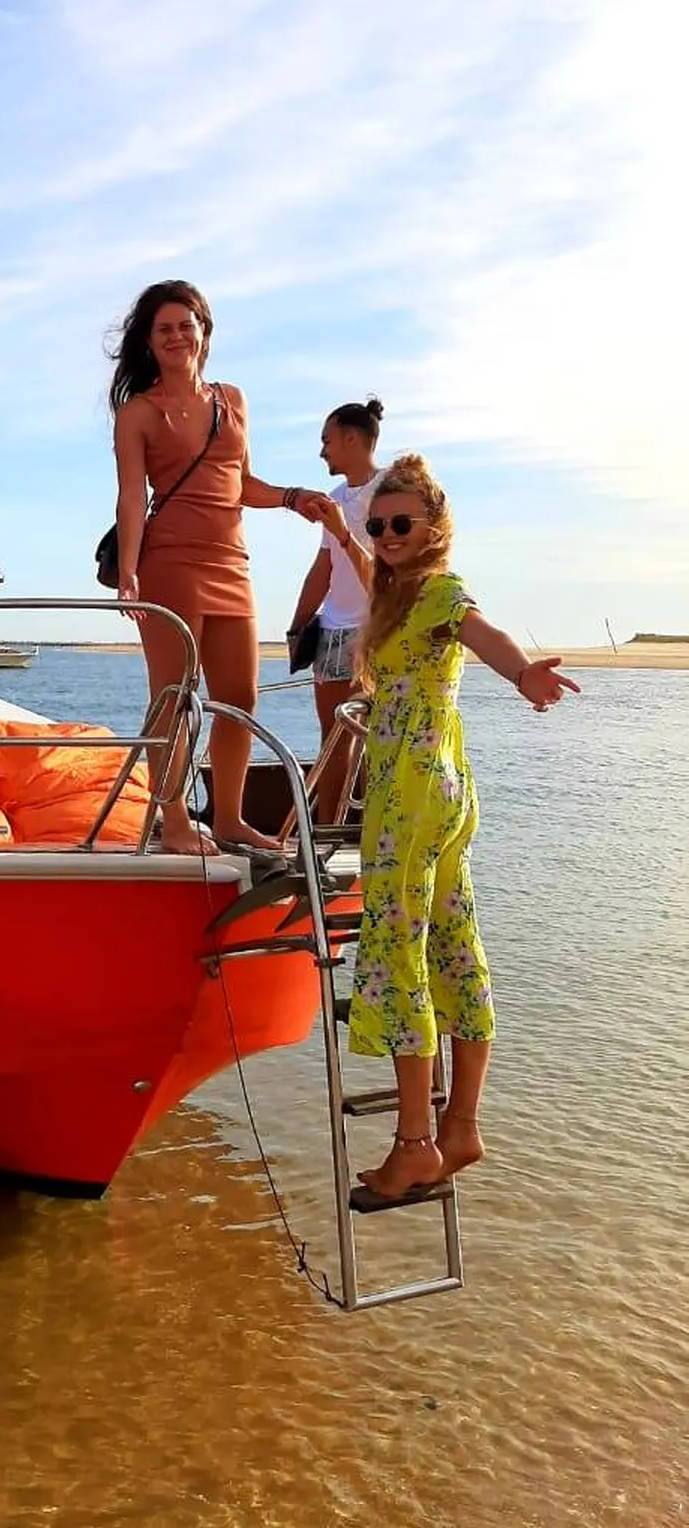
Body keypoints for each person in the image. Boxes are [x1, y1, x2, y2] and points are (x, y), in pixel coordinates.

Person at [313, 453, 578, 1201]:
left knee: (400, 954)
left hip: (413, 791)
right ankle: (461, 1127)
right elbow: (371, 565)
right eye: (379, 524)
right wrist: (343, 528)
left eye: (403, 523)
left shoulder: (436, 591)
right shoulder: (393, 591)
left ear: (434, 528)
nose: (388, 534)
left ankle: (414, 1143)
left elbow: (477, 629)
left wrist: (524, 673)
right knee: (453, 942)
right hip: (438, 783)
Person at [110, 280, 329, 853]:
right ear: (150, 342)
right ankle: (176, 820)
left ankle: (228, 820)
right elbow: (132, 496)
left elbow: (242, 483)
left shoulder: (232, 399)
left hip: (231, 561)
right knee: (175, 695)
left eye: (187, 324)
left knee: (241, 696)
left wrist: (292, 497)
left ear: (204, 332)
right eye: (165, 329)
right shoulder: (138, 411)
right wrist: (129, 572)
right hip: (170, 562)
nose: (177, 335)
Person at [286, 397, 386, 823]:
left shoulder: (391, 492)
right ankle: (329, 831)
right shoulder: (335, 497)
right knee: (333, 740)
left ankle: (380, 829)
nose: (323, 450)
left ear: (351, 439)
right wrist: (297, 626)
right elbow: (323, 568)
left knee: (383, 737)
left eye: (327, 440)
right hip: (332, 631)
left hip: (377, 630)